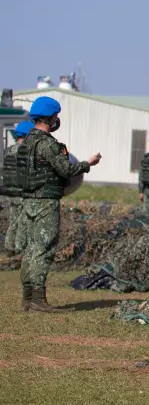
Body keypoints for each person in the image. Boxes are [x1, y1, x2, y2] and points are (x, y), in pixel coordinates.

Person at [13, 97, 100, 312]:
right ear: (51, 117)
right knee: (44, 248)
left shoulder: (26, 144)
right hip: (45, 202)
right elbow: (67, 170)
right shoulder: (47, 144)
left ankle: (27, 298)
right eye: (56, 116)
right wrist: (88, 164)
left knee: (31, 249)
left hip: (28, 201)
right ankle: (39, 300)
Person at [2, 121, 34, 255]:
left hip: (11, 191)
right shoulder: (26, 151)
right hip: (22, 192)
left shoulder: (9, 150)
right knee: (23, 221)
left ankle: (9, 248)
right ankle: (20, 249)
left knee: (13, 221)